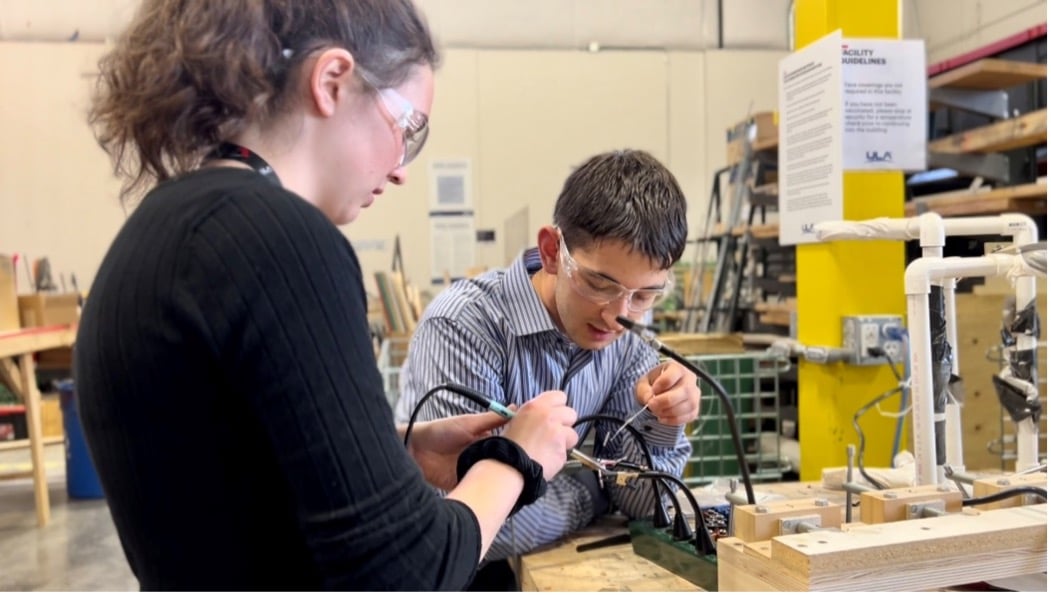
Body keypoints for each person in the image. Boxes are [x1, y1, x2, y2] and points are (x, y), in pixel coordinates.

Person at [74, 0, 580, 589]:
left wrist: (396, 453)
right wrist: (518, 459)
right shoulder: (280, 239)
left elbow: (226, 473)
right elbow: (407, 572)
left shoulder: (167, 224)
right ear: (332, 80)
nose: (400, 171)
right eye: (407, 128)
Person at [394, 148, 701, 588]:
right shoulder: (463, 326)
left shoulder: (629, 336)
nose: (619, 314)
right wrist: (590, 494)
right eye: (599, 284)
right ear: (552, 251)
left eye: (645, 295)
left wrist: (663, 419)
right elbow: (465, 525)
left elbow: (645, 504)